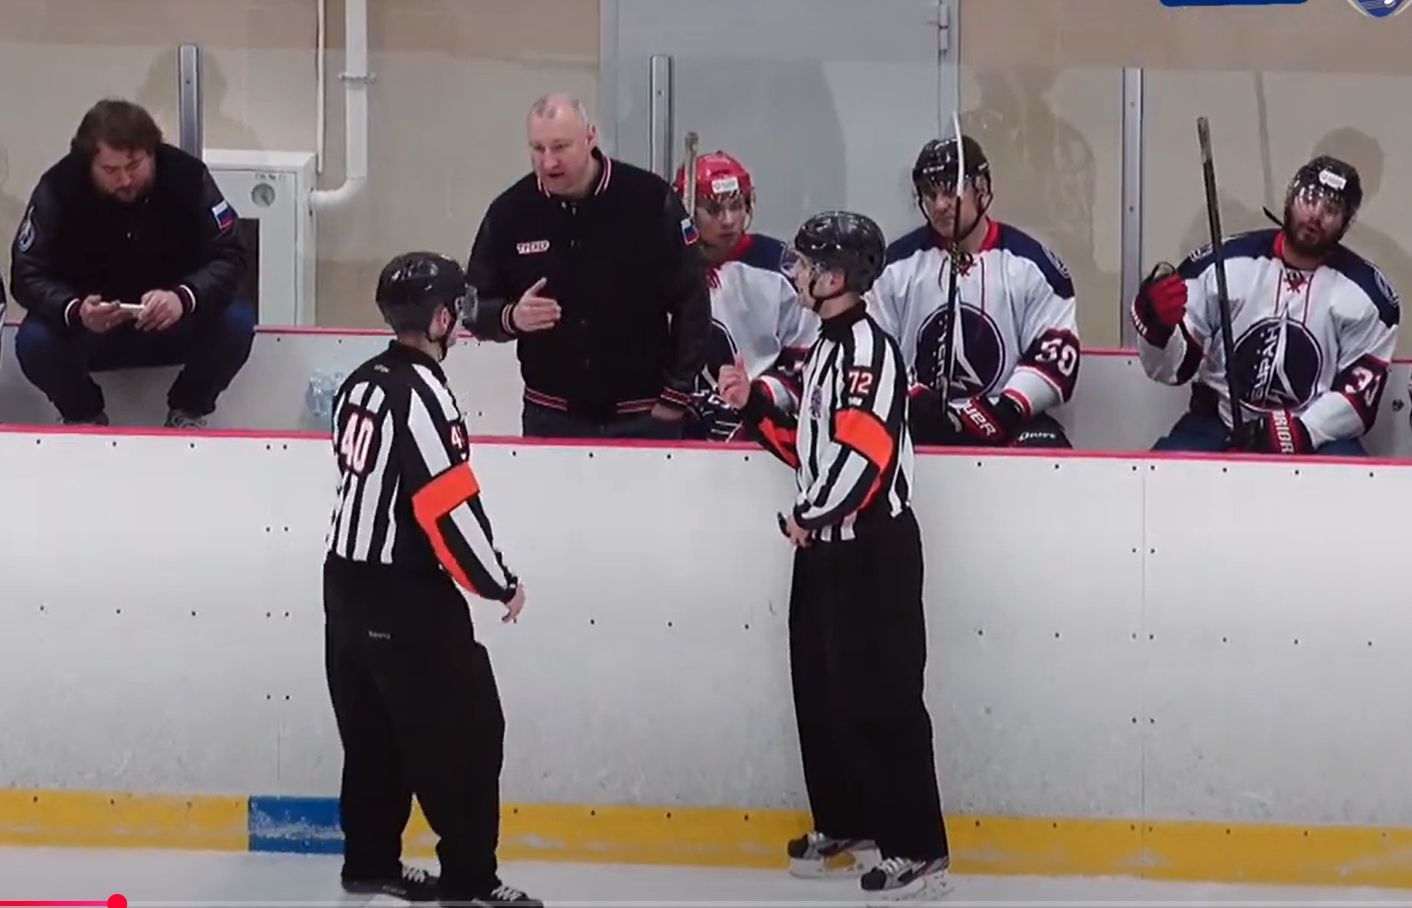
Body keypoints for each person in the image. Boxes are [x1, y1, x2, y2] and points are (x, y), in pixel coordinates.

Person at [717, 210, 951, 904]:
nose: (796, 272)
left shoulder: (870, 352)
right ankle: (848, 821)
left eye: (808, 263)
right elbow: (810, 445)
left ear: (838, 277)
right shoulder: (825, 348)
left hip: (872, 551)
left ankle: (918, 848)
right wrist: (754, 403)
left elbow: (866, 457)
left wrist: (811, 512)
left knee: (887, 698)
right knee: (822, 691)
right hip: (822, 549)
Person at [323, 251, 539, 907]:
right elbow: (446, 506)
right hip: (405, 592)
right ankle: (471, 879)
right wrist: (498, 581)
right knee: (469, 732)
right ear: (442, 315)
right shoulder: (424, 394)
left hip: (343, 583)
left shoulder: (361, 380)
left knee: (374, 733)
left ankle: (369, 861)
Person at [463, 93, 710, 439]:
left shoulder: (650, 200)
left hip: (644, 416)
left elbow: (693, 301)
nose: (549, 162)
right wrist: (511, 317)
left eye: (561, 146)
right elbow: (472, 309)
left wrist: (675, 396)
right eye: (538, 148)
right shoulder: (509, 212)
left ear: (591, 137)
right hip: (550, 418)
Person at [7, 98, 254, 428]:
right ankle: (83, 416)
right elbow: (26, 272)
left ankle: (188, 411)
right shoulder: (58, 187)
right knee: (34, 341)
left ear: (153, 152)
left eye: (134, 165)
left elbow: (231, 254)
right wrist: (76, 309)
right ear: (88, 163)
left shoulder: (188, 176)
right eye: (110, 171)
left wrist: (183, 298)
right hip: (91, 330)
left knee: (237, 321)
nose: (124, 180)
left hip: (174, 323)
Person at [1135, 154, 1399, 455]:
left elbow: (1357, 400)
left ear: (1346, 222)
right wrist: (1157, 330)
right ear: (1290, 197)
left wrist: (1298, 432)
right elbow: (1173, 369)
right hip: (1218, 423)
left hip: (1314, 434)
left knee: (1352, 484)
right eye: (1308, 199)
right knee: (1164, 475)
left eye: (1331, 210)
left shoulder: (1368, 297)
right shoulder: (1223, 263)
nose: (1315, 215)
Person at [867, 135, 1081, 447]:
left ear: (981, 189)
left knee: (1045, 447)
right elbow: (871, 349)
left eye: (951, 191)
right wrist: (911, 396)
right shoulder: (894, 267)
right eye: (930, 194)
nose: (940, 205)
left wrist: (1007, 410)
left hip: (1006, 418)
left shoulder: (1033, 265)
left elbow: (1055, 353)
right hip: (915, 416)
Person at [670, 149, 817, 441]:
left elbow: (809, 363)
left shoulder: (783, 268)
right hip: (677, 435)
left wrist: (757, 395)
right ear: (686, 210)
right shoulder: (662, 268)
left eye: (736, 206)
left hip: (761, 432)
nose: (728, 221)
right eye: (713, 210)